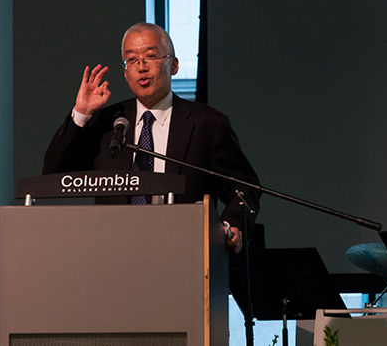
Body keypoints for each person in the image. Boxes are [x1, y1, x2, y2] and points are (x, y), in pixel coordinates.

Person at [43, 22, 260, 253]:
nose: (141, 67)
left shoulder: (207, 124)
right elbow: (54, 174)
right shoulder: (107, 124)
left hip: (183, 251)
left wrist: (233, 225)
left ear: (174, 65)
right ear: (125, 72)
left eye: (151, 56)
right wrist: (81, 114)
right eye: (132, 60)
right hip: (113, 253)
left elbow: (245, 188)